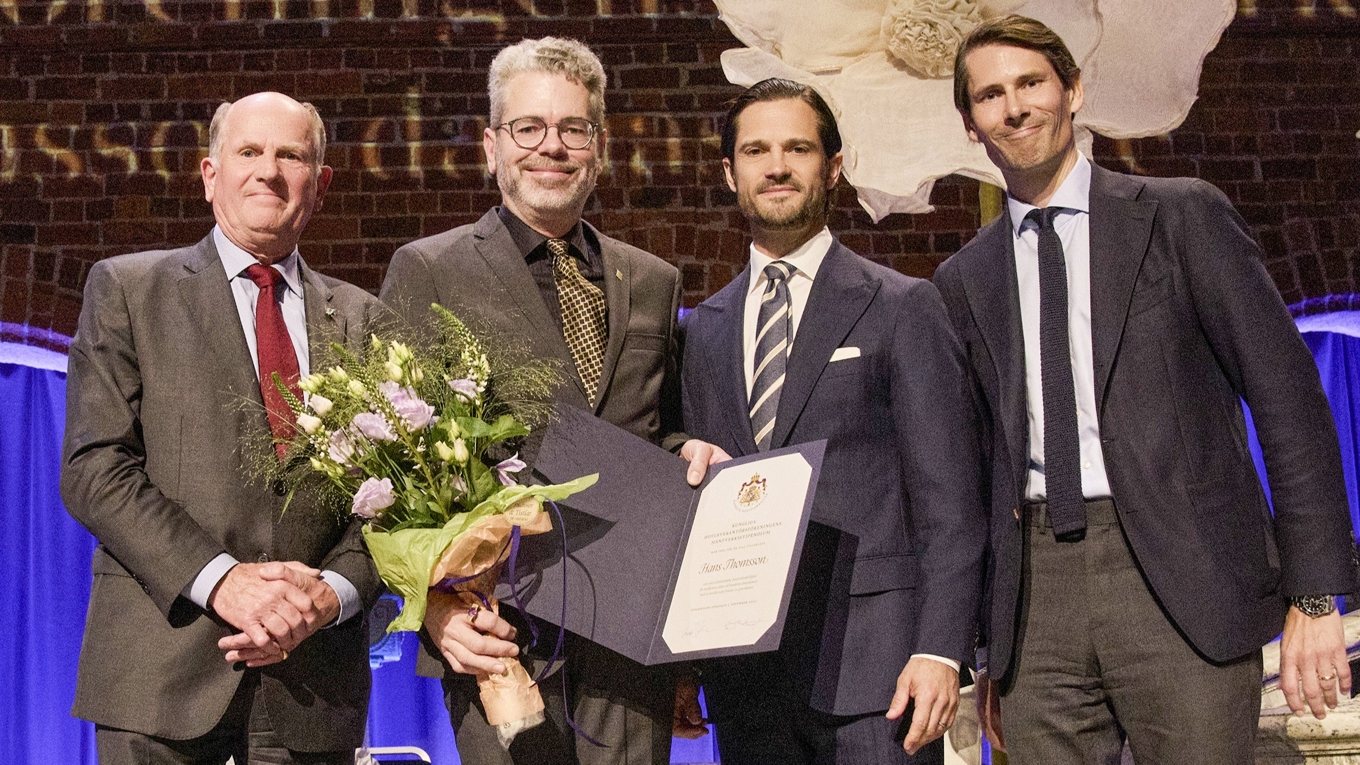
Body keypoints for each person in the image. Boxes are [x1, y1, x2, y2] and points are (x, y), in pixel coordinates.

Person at [934, 15, 1359, 763]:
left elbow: (1289, 403)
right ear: (972, 125)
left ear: (1073, 90)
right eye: (991, 95)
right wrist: (983, 644)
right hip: (1036, 602)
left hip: (1181, 579)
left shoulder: (1182, 216)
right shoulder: (963, 281)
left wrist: (1315, 595)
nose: (1015, 106)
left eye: (1032, 83)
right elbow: (973, 473)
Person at [379, 36, 727, 765]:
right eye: (528, 128)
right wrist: (435, 609)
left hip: (633, 642)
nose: (552, 147)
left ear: (597, 147)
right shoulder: (430, 270)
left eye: (573, 129)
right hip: (501, 637)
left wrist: (686, 452)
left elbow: (651, 435)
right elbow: (388, 468)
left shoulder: (653, 280)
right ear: (491, 145)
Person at [61, 91, 386, 764]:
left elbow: (397, 496)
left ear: (319, 185)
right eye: (249, 151)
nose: (269, 170)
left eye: (290, 155)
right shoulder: (128, 290)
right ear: (211, 175)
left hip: (311, 686)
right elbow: (96, 468)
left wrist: (328, 596)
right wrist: (225, 581)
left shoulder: (366, 321)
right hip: (160, 680)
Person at [677, 78, 986, 764]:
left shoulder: (902, 306)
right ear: (730, 173)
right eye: (756, 150)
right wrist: (686, 663)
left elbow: (952, 499)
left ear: (833, 166)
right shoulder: (704, 330)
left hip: (880, 673)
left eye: (797, 147)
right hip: (748, 676)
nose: (777, 165)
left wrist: (940, 647)